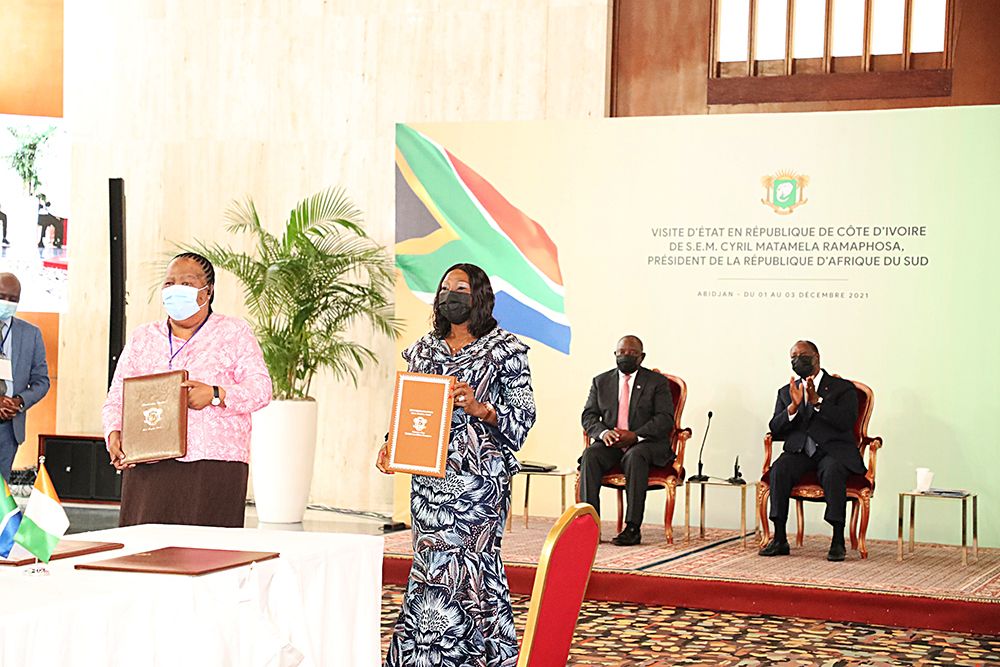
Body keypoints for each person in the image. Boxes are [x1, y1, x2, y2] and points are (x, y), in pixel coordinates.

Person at [377, 262, 536, 667]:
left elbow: (524, 414)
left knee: (473, 566)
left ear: (479, 296)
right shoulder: (424, 350)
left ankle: (479, 658)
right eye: (445, 287)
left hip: (479, 482)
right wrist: (391, 444)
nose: (451, 295)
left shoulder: (504, 349)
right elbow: (411, 407)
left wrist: (483, 408)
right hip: (429, 483)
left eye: (461, 288)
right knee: (430, 564)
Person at [101, 252, 271, 527]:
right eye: (169, 283)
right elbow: (117, 398)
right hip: (149, 462)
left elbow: (261, 389)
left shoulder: (234, 332)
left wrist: (215, 394)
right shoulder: (143, 337)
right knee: (145, 547)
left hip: (213, 465)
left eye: (187, 283)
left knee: (206, 549)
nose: (176, 289)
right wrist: (113, 434)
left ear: (208, 291)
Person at [759, 340, 863, 562]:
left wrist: (818, 402)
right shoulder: (787, 391)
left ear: (817, 357)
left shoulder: (842, 388)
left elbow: (846, 421)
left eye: (803, 356)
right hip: (800, 451)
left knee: (833, 470)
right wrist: (793, 407)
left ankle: (837, 540)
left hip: (832, 450)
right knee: (779, 469)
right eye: (793, 358)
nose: (798, 361)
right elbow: (775, 427)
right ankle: (779, 538)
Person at [579, 335, 674, 546]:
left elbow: (665, 418)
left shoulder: (656, 382)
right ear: (615, 354)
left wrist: (635, 435)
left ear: (642, 357)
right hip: (612, 442)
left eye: (631, 353)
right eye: (621, 352)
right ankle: (589, 525)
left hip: (646, 443)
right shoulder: (601, 381)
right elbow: (589, 416)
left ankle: (632, 528)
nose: (625, 356)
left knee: (635, 455)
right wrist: (604, 433)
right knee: (590, 455)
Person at [0, 273, 50, 482]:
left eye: (13, 299)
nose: (7, 303)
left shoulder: (31, 334)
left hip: (9, 428)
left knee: (1, 491)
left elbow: (42, 381)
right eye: (2, 296)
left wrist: (19, 401)